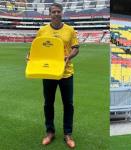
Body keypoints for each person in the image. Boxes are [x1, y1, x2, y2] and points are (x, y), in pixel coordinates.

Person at [27, 3, 79, 148]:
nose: (56, 14)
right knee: (48, 103)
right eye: (53, 12)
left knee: (68, 104)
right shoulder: (42, 30)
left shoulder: (70, 30)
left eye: (58, 11)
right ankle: (50, 132)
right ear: (49, 14)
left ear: (62, 13)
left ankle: (68, 134)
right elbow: (36, 48)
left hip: (66, 72)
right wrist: (29, 56)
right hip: (48, 72)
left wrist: (69, 56)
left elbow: (76, 48)